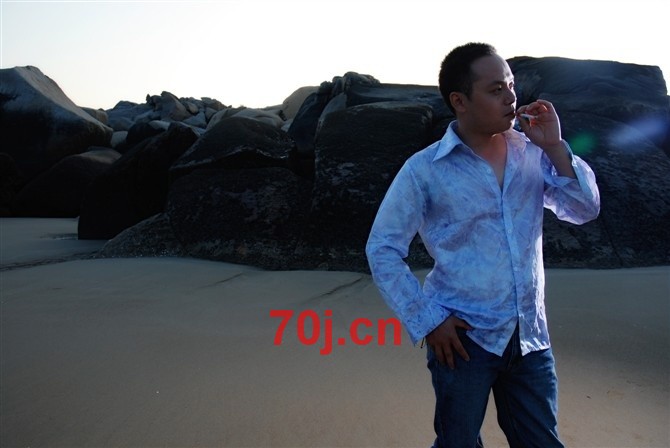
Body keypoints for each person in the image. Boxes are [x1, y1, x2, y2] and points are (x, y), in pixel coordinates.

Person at [365, 42, 600, 448]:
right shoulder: (424, 169)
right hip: (462, 340)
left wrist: (555, 146)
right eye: (495, 89)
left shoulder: (532, 152)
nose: (510, 97)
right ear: (460, 101)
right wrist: (427, 319)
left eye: (511, 85)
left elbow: (583, 209)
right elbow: (382, 247)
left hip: (530, 336)